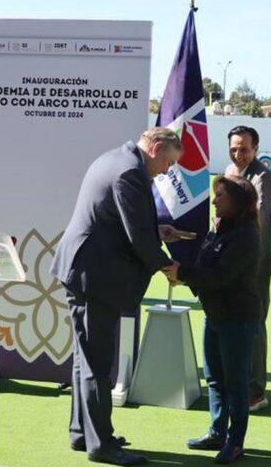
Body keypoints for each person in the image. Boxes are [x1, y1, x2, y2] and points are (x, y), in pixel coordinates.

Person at [51, 127, 191, 466]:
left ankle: (82, 432)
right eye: (169, 162)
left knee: (86, 357)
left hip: (87, 270)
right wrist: (169, 265)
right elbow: (137, 238)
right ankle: (101, 444)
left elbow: (117, 221)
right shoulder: (130, 171)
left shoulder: (116, 158)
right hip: (94, 276)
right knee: (96, 362)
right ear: (156, 148)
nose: (167, 171)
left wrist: (158, 231)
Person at [164, 175, 261, 465]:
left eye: (220, 195)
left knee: (236, 383)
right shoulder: (219, 229)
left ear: (238, 202)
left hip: (238, 319)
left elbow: (220, 276)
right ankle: (217, 432)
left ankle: (235, 442)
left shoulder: (246, 236)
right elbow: (206, 266)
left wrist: (182, 273)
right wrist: (182, 266)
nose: (215, 200)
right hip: (216, 315)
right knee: (215, 379)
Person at [223, 126, 271, 412]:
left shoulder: (263, 177)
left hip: (253, 265)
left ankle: (256, 391)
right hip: (229, 264)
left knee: (253, 325)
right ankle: (235, 383)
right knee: (231, 324)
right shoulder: (229, 171)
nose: (238, 153)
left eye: (244, 149)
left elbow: (258, 219)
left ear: (255, 148)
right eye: (234, 148)